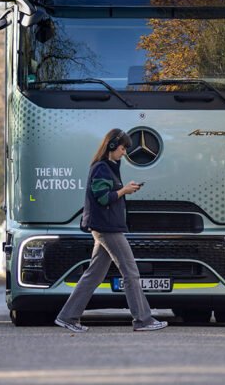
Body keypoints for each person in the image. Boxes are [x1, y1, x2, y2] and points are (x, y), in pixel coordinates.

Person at [55, 128, 168, 333]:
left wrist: (124, 188)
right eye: (123, 148)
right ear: (112, 146)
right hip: (107, 229)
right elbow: (103, 198)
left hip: (105, 227)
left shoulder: (109, 167)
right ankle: (143, 320)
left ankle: (67, 317)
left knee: (94, 275)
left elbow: (107, 194)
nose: (124, 153)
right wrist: (124, 190)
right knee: (131, 272)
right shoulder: (101, 168)